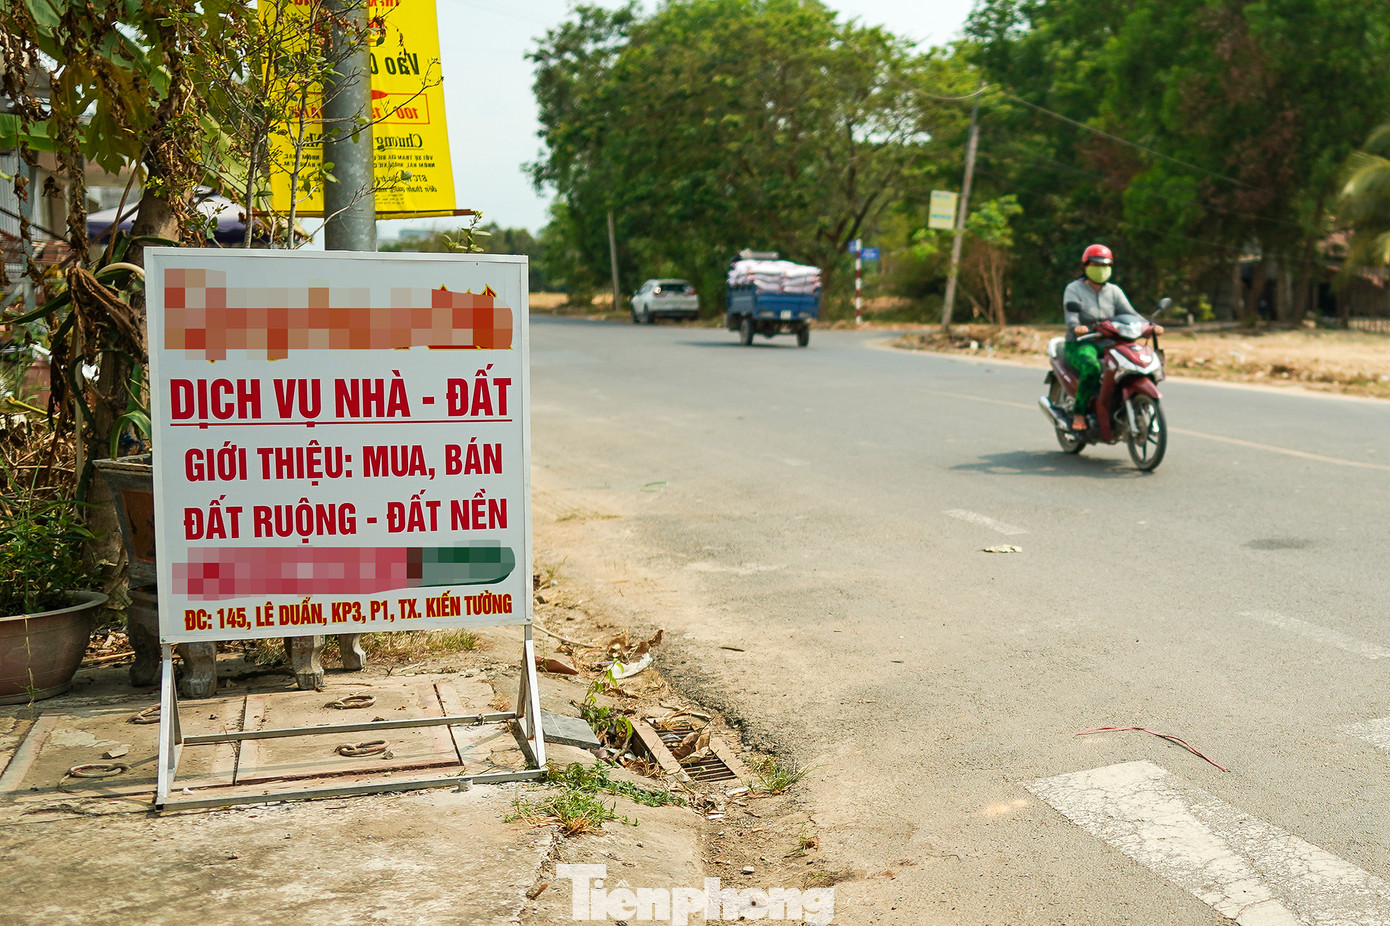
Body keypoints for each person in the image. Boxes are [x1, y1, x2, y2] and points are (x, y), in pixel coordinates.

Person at [1061, 244, 1161, 431]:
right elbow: (1071, 317)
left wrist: (1149, 326)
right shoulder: (1074, 289)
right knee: (1091, 368)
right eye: (1096, 265)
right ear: (1085, 266)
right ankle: (1079, 413)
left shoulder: (1114, 291)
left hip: (1111, 342)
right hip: (1083, 343)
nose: (1101, 269)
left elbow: (1131, 314)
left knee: (1132, 363)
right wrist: (1077, 328)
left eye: (1106, 265)